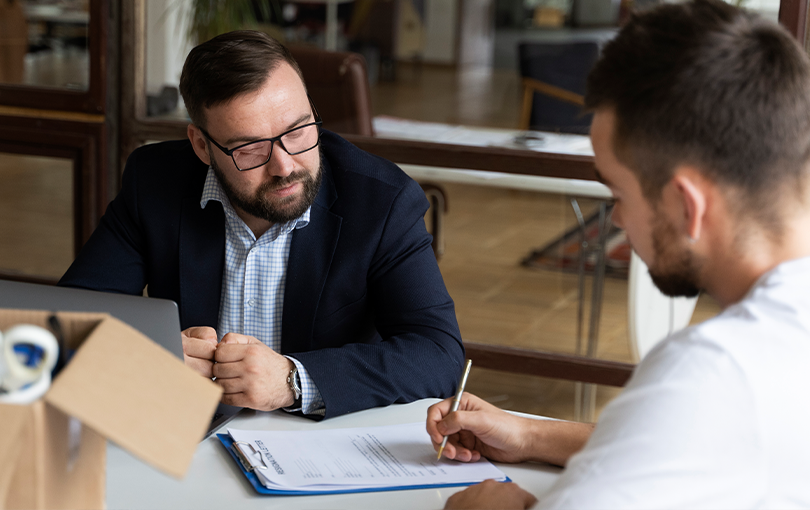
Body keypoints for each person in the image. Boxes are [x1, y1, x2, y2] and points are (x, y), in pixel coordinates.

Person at [427, 0, 810, 507]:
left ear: (684, 204)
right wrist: (531, 434)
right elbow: (698, 444)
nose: (618, 221)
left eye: (619, 195)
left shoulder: (714, 370)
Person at [59, 31, 464, 419]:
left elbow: (438, 354)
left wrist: (293, 381)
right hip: (186, 431)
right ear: (202, 145)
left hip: (319, 444)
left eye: (298, 130)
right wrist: (146, 357)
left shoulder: (381, 200)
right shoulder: (153, 181)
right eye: (250, 148)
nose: (285, 166)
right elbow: (66, 322)